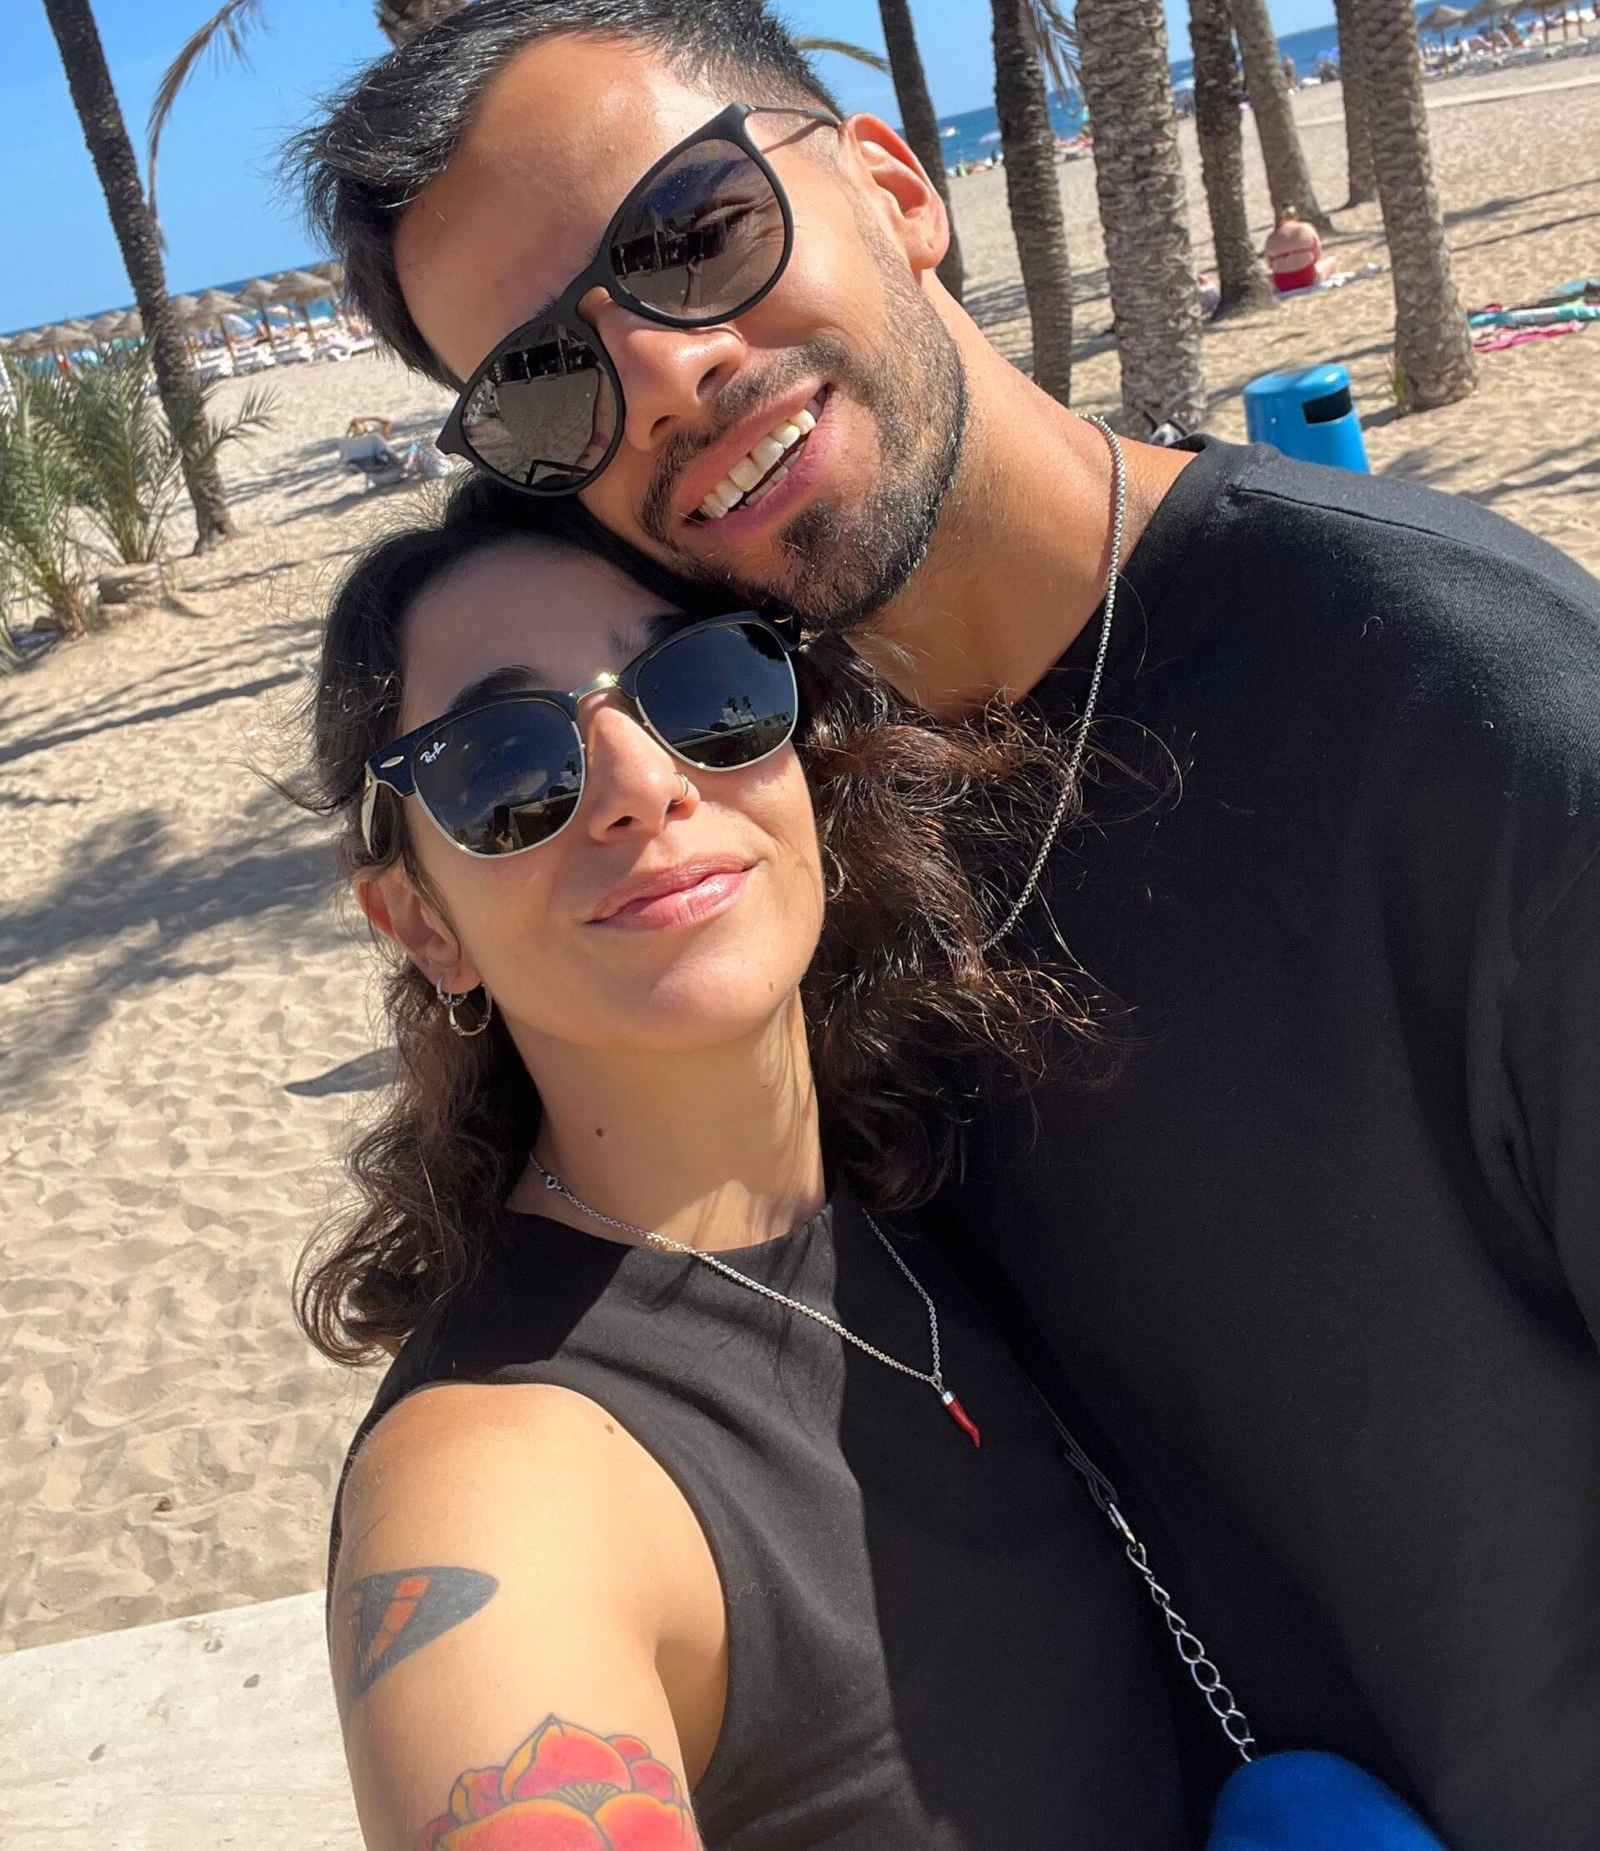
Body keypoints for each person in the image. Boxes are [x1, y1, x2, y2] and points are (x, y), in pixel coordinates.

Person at [293, 0, 1600, 1849]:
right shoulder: (826, 844)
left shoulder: (1464, 706)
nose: (662, 373)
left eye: (694, 232)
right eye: (545, 380)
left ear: (898, 191)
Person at [300, 485, 1209, 1848]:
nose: (644, 784)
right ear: (422, 923)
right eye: (504, 767)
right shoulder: (502, 1490)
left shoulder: (954, 1174)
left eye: (703, 688)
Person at [1260, 205, 1330, 293]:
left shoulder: (1271, 238)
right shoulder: (1306, 228)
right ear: (1296, 217)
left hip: (1282, 283)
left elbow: (1270, 265)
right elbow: (1317, 256)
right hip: (1308, 278)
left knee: (1265, 275)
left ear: (1281, 220)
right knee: (1331, 261)